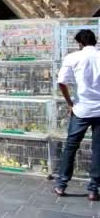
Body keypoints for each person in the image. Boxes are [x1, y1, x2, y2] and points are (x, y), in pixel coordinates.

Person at [54, 29, 100, 201]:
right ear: (95, 42)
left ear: (79, 43)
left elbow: (61, 82)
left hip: (81, 110)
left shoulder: (73, 57)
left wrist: (69, 103)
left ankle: (61, 184)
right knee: (98, 150)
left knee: (71, 147)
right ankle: (93, 190)